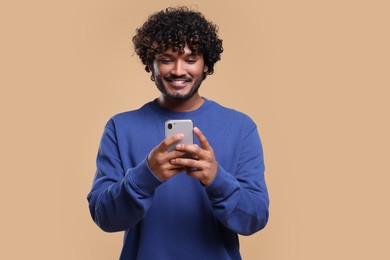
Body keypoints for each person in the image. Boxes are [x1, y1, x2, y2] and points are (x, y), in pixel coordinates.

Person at [87, 6, 269, 260]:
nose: (178, 70)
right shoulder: (120, 127)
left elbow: (255, 219)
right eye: (166, 59)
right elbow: (104, 217)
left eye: (191, 59)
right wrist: (145, 175)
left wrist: (217, 179)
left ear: (206, 65)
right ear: (150, 64)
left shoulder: (240, 127)